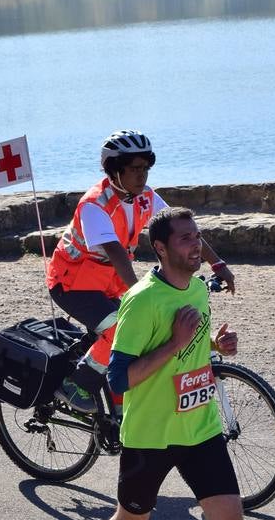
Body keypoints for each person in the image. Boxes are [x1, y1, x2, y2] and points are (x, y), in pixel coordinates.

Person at [58, 206, 275, 520]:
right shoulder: (141, 302)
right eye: (184, 238)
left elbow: (190, 348)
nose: (195, 245)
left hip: (200, 429)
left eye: (198, 236)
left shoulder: (199, 288)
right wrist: (175, 342)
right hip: (151, 437)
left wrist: (214, 347)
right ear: (160, 248)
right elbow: (119, 379)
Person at [46, 131, 234, 414]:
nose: (142, 175)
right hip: (73, 284)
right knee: (118, 329)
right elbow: (117, 253)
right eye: (134, 169)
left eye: (145, 168)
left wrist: (218, 264)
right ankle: (78, 385)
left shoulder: (144, 197)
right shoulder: (94, 205)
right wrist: (142, 297)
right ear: (114, 170)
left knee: (144, 334)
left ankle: (122, 407)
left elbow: (183, 231)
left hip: (108, 282)